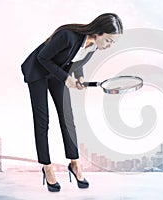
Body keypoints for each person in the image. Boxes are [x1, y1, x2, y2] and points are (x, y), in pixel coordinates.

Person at [21, 13, 123, 192]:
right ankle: (47, 167)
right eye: (108, 40)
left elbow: (77, 61)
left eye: (112, 43)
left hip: (56, 72)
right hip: (37, 71)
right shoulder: (67, 35)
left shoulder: (94, 46)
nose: (109, 46)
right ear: (99, 32)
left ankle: (75, 164)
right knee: (43, 121)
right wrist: (66, 79)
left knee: (67, 118)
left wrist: (80, 77)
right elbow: (42, 58)